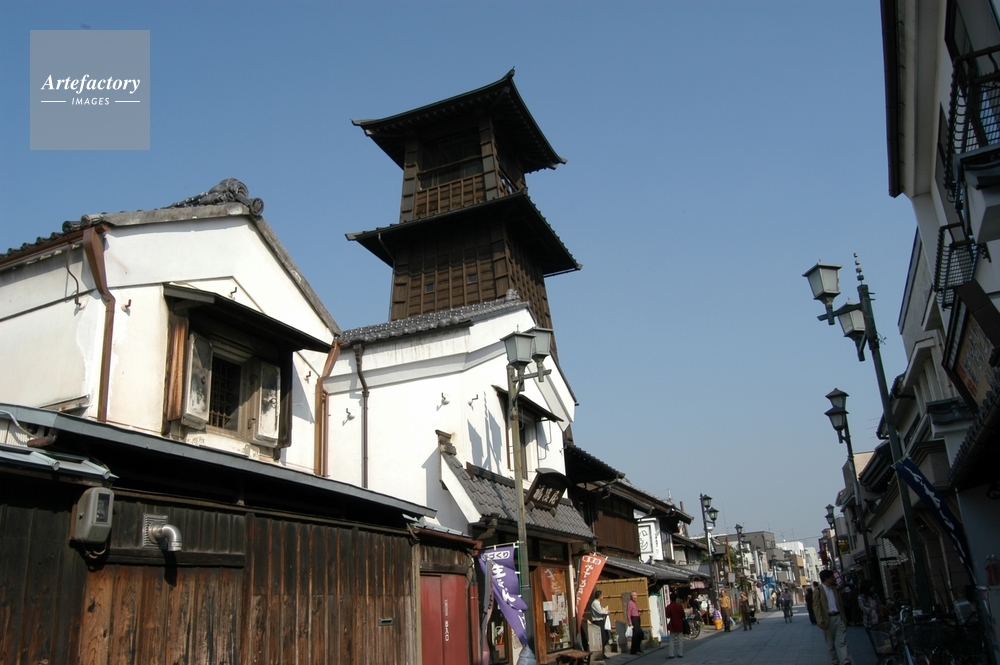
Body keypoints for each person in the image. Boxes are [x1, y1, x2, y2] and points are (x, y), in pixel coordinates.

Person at [813, 569, 852, 665]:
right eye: (832, 577)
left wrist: (844, 618)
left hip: (838, 617)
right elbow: (816, 606)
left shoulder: (835, 589)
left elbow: (840, 604)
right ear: (826, 579)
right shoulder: (818, 590)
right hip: (827, 619)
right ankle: (835, 662)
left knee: (842, 641)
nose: (834, 578)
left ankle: (846, 661)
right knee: (830, 645)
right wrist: (819, 620)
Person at [856, 580, 882, 655]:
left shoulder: (874, 595)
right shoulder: (861, 597)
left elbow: (879, 604)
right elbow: (863, 607)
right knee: (874, 640)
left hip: (878, 620)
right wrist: (870, 610)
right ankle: (879, 656)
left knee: (879, 639)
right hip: (869, 622)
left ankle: (882, 654)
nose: (873, 587)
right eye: (871, 586)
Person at [665, 592, 686, 659]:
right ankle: (680, 653)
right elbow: (683, 615)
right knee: (680, 639)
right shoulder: (679, 606)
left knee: (671, 639)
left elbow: (668, 616)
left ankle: (671, 654)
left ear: (670, 599)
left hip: (673, 624)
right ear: (676, 598)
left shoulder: (669, 607)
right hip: (680, 623)